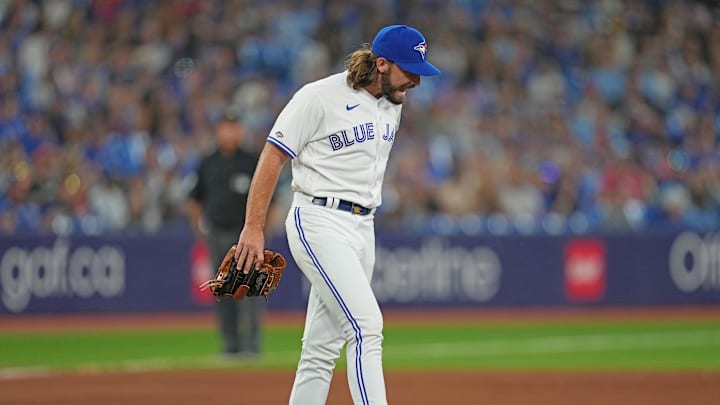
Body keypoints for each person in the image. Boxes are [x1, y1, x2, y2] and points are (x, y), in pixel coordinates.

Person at [233, 25, 440, 404]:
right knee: (366, 327)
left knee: (320, 350)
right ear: (381, 64)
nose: (415, 81)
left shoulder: (392, 104)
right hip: (319, 219)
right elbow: (273, 156)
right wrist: (252, 227)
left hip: (364, 227)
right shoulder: (319, 97)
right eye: (409, 70)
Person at [187, 108, 266, 359]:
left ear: (240, 131)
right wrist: (199, 227)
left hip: (247, 238)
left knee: (250, 290)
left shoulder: (252, 160)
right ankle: (230, 345)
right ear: (218, 131)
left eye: (234, 127)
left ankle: (251, 345)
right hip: (218, 233)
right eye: (225, 126)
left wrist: (263, 229)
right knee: (224, 291)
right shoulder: (208, 162)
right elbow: (194, 198)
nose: (229, 132)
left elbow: (270, 198)